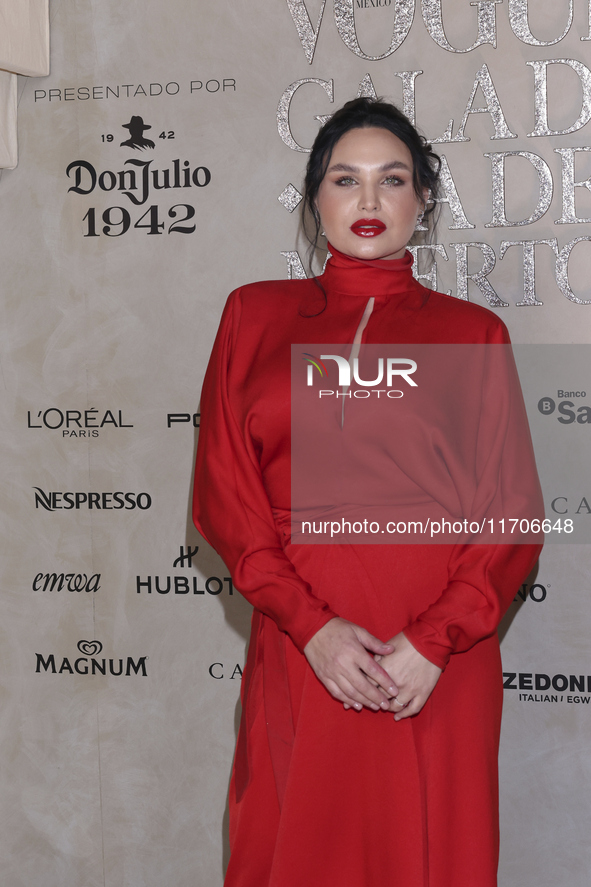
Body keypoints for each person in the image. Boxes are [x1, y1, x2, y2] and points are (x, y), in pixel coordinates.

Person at [192, 97, 543, 887]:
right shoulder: (254, 316)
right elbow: (226, 496)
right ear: (313, 200)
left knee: (430, 854)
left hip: (436, 669)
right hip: (300, 648)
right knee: (289, 850)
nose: (369, 201)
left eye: (393, 180)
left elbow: (509, 513)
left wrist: (435, 640)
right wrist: (312, 627)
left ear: (422, 200)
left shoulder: (470, 332)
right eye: (344, 180)